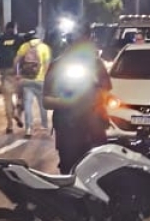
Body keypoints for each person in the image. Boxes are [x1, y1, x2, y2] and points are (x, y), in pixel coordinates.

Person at [42, 36, 111, 173]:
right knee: (68, 170)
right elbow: (46, 101)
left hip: (93, 128)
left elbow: (106, 89)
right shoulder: (57, 65)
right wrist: (68, 102)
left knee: (97, 170)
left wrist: (95, 98)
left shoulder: (96, 63)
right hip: (67, 128)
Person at [0, 21, 24, 133]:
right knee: (22, 96)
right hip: (18, 73)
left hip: (5, 73)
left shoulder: (0, 41)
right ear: (15, 29)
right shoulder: (20, 40)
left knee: (7, 100)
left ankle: (9, 125)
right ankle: (18, 113)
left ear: (6, 29)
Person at [13, 30, 51, 138]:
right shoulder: (44, 47)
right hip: (40, 80)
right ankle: (44, 126)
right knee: (42, 104)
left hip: (26, 80)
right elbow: (47, 64)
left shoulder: (24, 46)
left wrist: (17, 73)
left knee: (27, 104)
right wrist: (45, 77)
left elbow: (16, 61)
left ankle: (28, 129)